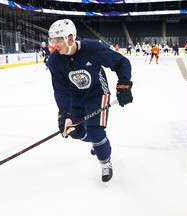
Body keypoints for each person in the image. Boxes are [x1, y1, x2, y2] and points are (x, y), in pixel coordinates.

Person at [46, 19, 133, 183]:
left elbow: (121, 62)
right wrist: (64, 113)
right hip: (75, 97)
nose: (55, 44)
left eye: (58, 40)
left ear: (70, 38)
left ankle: (105, 161)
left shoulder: (92, 48)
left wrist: (124, 84)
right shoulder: (54, 61)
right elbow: (61, 90)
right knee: (75, 133)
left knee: (95, 131)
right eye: (53, 40)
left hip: (97, 93)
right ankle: (97, 143)